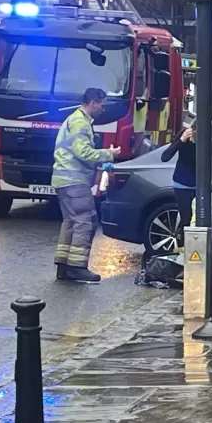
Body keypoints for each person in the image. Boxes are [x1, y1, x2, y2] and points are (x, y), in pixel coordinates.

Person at [52, 88, 121, 283]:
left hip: (63, 180)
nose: (103, 109)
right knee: (85, 220)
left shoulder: (73, 119)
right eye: (102, 104)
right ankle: (77, 267)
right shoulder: (81, 123)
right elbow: (83, 152)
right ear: (93, 102)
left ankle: (63, 266)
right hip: (74, 181)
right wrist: (109, 154)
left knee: (71, 222)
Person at [160, 123, 197, 246]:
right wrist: (182, 140)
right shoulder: (184, 136)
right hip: (182, 184)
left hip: (201, 184)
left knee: (199, 218)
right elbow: (165, 157)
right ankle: (183, 246)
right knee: (186, 217)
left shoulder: (208, 139)